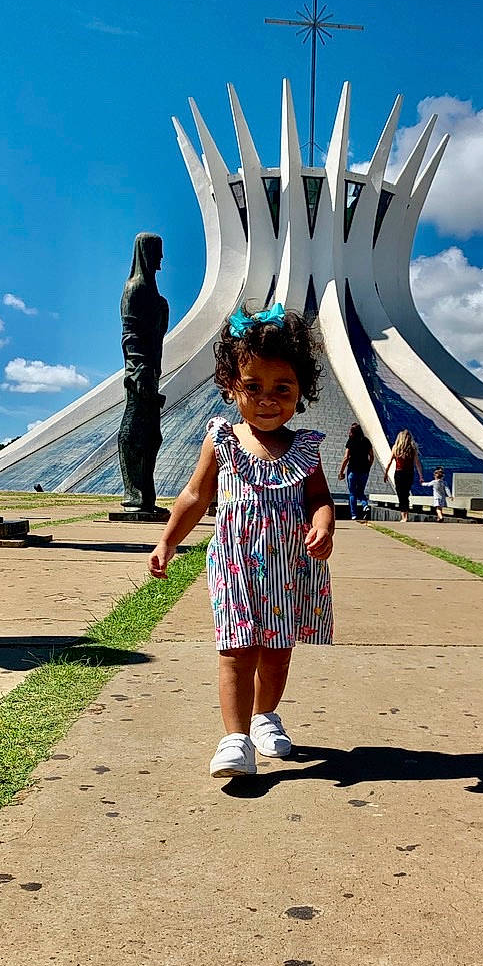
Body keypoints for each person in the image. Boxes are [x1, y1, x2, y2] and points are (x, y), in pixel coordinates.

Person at [148, 303, 334, 779]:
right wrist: (168, 540)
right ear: (232, 387)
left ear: (301, 393)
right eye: (253, 387)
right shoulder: (222, 438)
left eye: (282, 389)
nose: (267, 399)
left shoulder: (307, 448)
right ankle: (234, 740)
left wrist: (323, 525)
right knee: (235, 651)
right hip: (235, 567)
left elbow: (319, 497)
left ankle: (265, 716)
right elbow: (195, 493)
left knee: (277, 652)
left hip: (290, 571)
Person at [118, 232, 169, 515]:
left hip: (152, 368)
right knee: (135, 428)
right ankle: (133, 492)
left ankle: (144, 494)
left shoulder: (151, 291)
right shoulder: (135, 288)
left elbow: (155, 333)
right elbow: (130, 335)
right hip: (140, 373)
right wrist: (138, 371)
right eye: (157, 252)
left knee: (152, 435)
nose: (161, 258)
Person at [384, 429, 425, 522]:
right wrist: (421, 475)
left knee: (400, 494)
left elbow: (390, 462)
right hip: (409, 473)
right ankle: (405, 515)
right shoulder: (412, 449)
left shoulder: (396, 448)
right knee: (405, 494)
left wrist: (386, 473)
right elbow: (417, 463)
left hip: (399, 473)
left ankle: (404, 516)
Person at [338, 421, 374, 521]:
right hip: (364, 471)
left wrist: (341, 472)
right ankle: (365, 505)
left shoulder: (351, 441)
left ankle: (354, 514)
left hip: (352, 470)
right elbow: (372, 456)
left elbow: (346, 457)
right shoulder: (366, 441)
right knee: (361, 491)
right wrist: (368, 467)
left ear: (352, 432)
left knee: (353, 493)